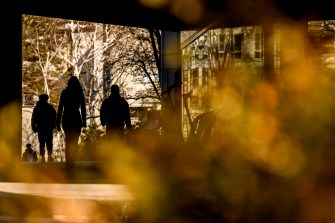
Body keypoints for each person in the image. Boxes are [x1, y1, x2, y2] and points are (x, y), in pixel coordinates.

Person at [56, 75, 87, 166]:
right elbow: (83, 108)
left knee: (68, 139)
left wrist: (58, 121)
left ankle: (68, 159)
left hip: (66, 117)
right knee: (75, 140)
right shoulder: (79, 93)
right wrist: (84, 121)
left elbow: (60, 107)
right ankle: (72, 159)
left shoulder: (65, 93)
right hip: (76, 117)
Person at [31, 94, 57, 162]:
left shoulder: (37, 108)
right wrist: (54, 125)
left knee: (42, 142)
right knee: (49, 142)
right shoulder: (50, 107)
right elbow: (54, 117)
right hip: (48, 127)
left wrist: (33, 127)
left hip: (40, 127)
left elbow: (33, 118)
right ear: (47, 99)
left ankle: (42, 156)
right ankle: (49, 155)